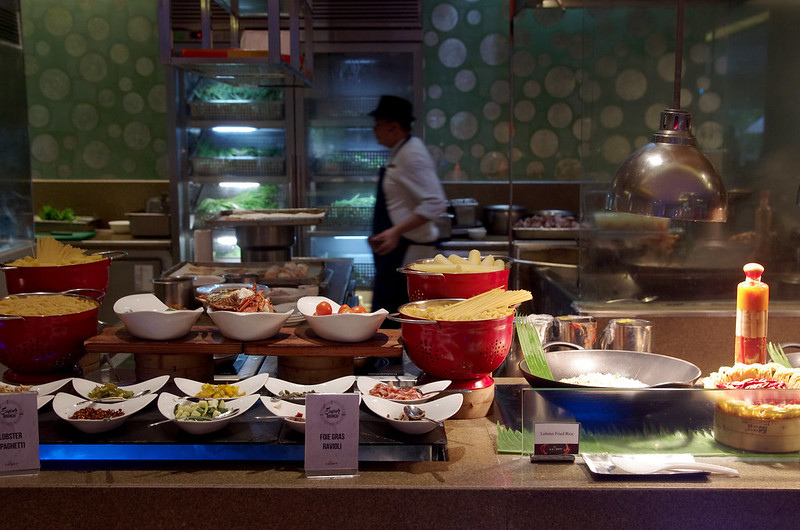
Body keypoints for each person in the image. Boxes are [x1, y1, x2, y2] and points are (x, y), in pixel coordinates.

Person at [368, 95, 447, 316]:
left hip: (409, 255)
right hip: (397, 252)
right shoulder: (401, 150)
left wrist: (395, 231)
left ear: (394, 127)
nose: (374, 130)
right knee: (389, 317)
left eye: (378, 124)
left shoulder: (412, 154)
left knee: (400, 318)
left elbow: (435, 202)